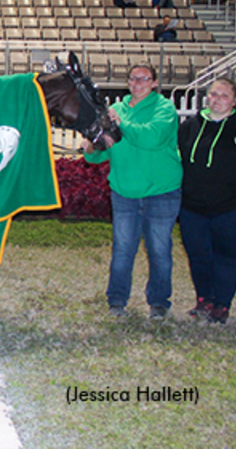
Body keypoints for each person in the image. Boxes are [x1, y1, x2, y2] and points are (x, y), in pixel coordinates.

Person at [84, 65, 181, 319]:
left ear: (154, 82)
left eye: (144, 79)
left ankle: (159, 302)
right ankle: (116, 300)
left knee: (159, 250)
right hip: (124, 192)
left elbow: (151, 138)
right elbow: (103, 152)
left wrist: (121, 122)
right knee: (123, 249)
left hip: (161, 192)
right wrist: (91, 147)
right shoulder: (117, 110)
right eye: (133, 78)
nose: (137, 83)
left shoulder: (164, 109)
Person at [178, 78, 236, 324]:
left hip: (235, 208)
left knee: (226, 257)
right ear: (206, 98)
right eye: (214, 94)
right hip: (193, 208)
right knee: (198, 256)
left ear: (234, 101)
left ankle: (222, 304)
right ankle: (204, 299)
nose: (218, 99)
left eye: (224, 96)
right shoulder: (189, 127)